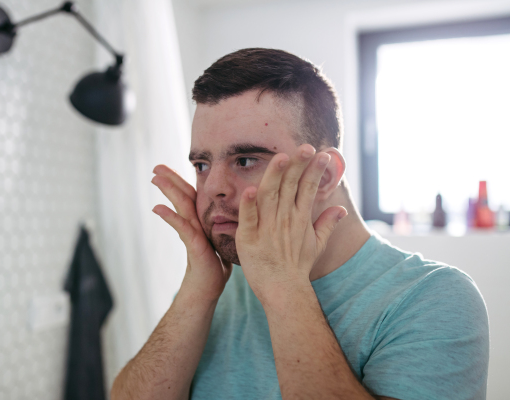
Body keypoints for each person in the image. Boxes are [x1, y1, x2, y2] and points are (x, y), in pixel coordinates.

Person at [110, 48, 489, 400]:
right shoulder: (217, 284)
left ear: (324, 176)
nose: (213, 190)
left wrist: (284, 286)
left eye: (245, 160)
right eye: (202, 165)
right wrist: (199, 289)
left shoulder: (433, 298)